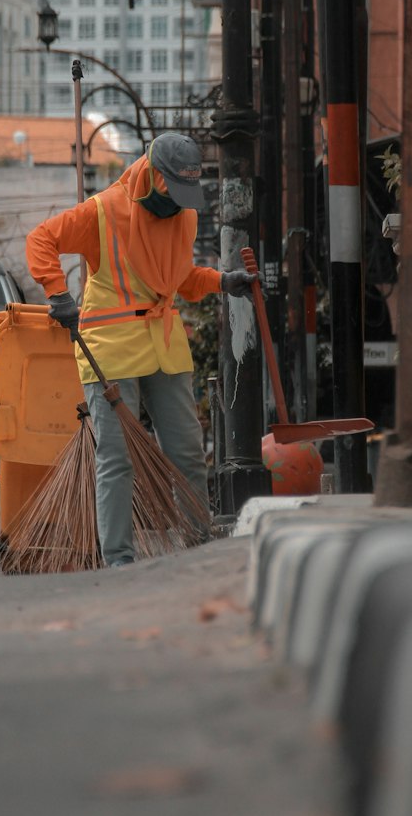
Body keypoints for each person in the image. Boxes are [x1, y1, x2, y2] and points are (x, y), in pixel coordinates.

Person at [25, 133, 257, 568]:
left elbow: (180, 278)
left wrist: (222, 281)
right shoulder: (104, 210)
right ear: (153, 175)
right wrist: (58, 294)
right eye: (174, 191)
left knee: (188, 452)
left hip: (163, 347)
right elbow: (41, 239)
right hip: (110, 350)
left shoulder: (183, 215)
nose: (179, 204)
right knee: (117, 459)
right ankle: (120, 562)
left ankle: (195, 551)